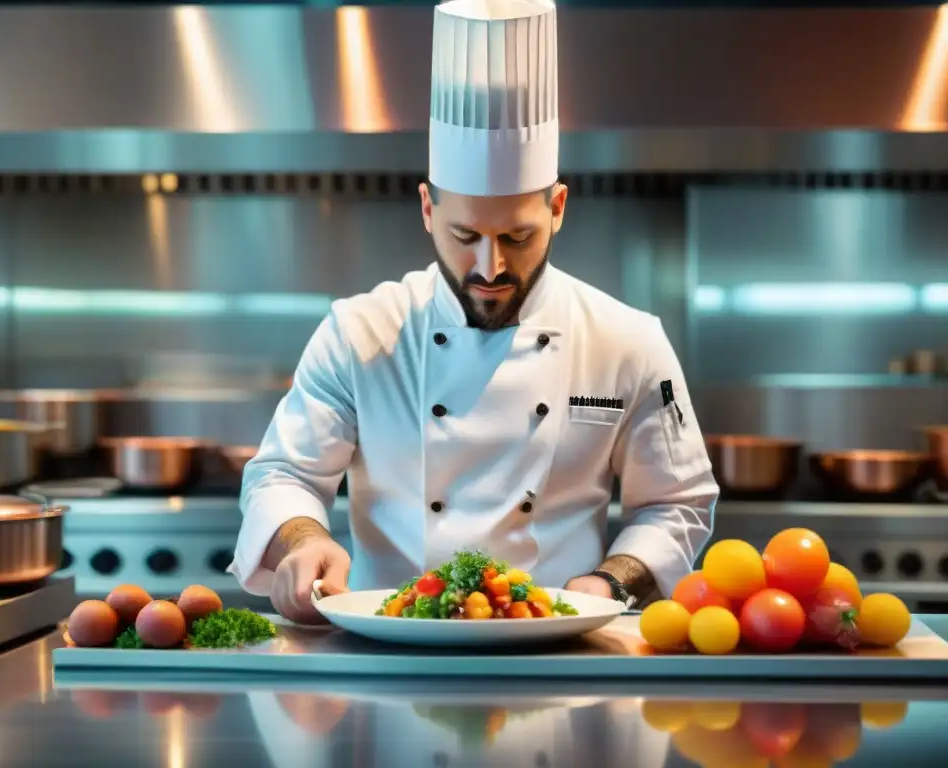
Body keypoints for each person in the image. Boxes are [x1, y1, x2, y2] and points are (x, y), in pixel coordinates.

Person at [229, 0, 719, 624]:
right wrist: (305, 540)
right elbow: (283, 474)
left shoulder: (627, 340)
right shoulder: (360, 333)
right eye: (465, 237)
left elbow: (676, 503)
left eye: (517, 237)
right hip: (391, 657)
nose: (489, 267)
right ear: (428, 210)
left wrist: (608, 584)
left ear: (559, 207)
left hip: (561, 651)